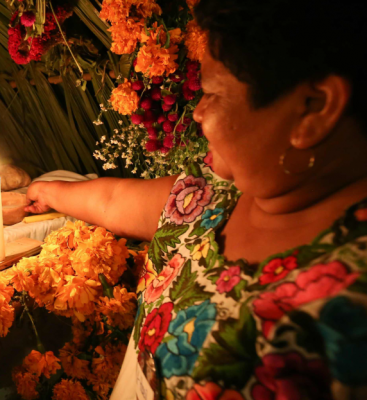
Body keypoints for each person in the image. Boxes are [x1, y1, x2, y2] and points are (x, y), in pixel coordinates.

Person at [25, 0, 367, 398]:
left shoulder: (351, 300)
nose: (198, 113)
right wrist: (46, 191)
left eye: (212, 94)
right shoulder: (215, 194)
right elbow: (114, 202)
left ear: (314, 109)